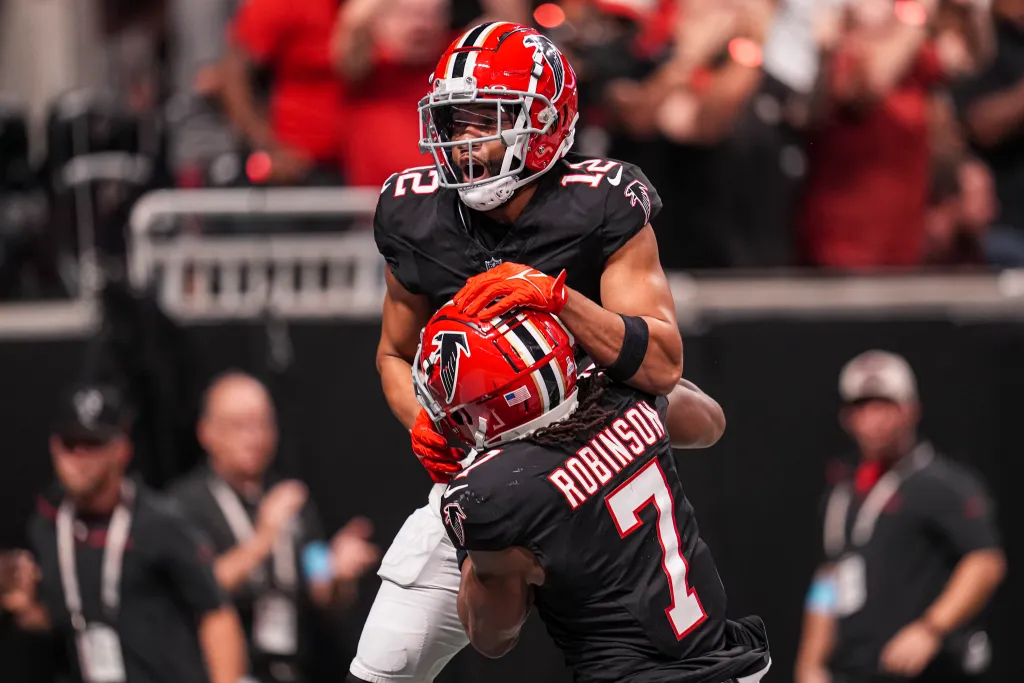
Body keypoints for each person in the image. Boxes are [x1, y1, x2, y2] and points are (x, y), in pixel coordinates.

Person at [351, 21, 695, 683]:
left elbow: (664, 364)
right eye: (455, 124)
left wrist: (555, 298)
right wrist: (423, 422)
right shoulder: (413, 214)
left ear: (546, 123)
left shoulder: (598, 202)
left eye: (489, 120)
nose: (465, 142)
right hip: (483, 476)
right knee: (381, 670)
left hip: (591, 476)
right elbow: (394, 354)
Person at [411, 302, 770, 682]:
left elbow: (492, 636)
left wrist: (472, 549)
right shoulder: (615, 394)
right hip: (726, 665)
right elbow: (710, 422)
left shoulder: (492, 493)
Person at [0, 382, 247, 683]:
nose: (78, 458)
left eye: (92, 444)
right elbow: (63, 619)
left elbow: (216, 613)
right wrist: (26, 610)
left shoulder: (159, 523)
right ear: (54, 446)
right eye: (69, 444)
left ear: (121, 450)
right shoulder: (47, 524)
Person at [794, 351, 1007, 683]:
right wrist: (810, 663)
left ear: (911, 410)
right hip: (855, 671)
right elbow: (828, 580)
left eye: (885, 406)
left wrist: (931, 628)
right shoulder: (842, 493)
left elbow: (985, 562)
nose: (874, 419)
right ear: (847, 418)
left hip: (929, 671)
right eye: (862, 407)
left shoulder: (943, 484)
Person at [170, 372, 380, 683]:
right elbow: (197, 588)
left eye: (263, 424)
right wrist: (263, 537)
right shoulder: (184, 505)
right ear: (207, 432)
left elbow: (319, 586)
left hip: (290, 669)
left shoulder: (289, 497)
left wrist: (336, 573)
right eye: (240, 425)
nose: (254, 437)